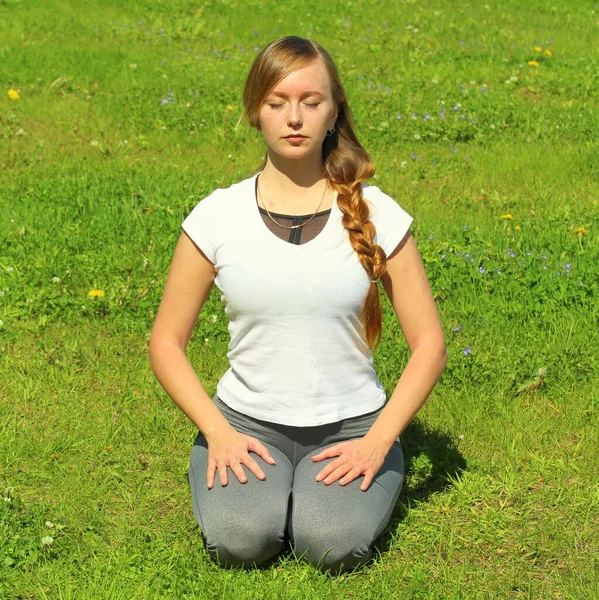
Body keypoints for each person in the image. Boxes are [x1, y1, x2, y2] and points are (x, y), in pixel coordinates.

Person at [149, 36, 447, 573]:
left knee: (330, 545)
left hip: (352, 428)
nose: (294, 117)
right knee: (241, 541)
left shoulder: (377, 213)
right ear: (256, 113)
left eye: (312, 102)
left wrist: (378, 442)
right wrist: (218, 431)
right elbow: (166, 344)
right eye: (276, 102)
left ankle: (323, 496)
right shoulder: (216, 217)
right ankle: (265, 494)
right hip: (246, 426)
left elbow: (429, 346)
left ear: (334, 113)